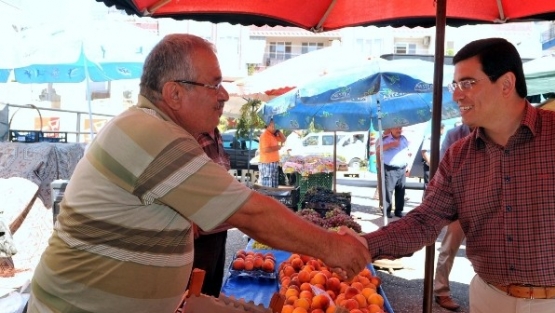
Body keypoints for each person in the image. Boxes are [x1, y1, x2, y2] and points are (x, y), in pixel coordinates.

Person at [27, 34, 370, 313]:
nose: (223, 96)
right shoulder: (151, 134)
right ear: (174, 93)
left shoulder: (151, 128)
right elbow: (249, 212)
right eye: (214, 84)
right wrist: (332, 247)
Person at [342, 38, 555, 313]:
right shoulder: (458, 157)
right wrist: (365, 244)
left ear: (506, 84)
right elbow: (425, 221)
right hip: (489, 299)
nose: (456, 94)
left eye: (468, 83)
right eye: (456, 84)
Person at [432, 123, 472, 311]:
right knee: (449, 248)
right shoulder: (454, 134)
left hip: (487, 203)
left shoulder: (494, 132)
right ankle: (441, 292)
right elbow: (444, 167)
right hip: (459, 201)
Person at [190, 127, 231, 297]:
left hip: (221, 224)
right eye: (217, 102)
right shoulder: (194, 133)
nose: (222, 101)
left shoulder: (217, 135)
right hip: (203, 227)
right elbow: (186, 179)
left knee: (214, 286)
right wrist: (189, 216)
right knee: (198, 291)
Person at [377, 127, 410, 218]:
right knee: (388, 191)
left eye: (400, 128)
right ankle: (387, 211)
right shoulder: (386, 139)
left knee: (401, 190)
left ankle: (399, 211)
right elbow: (378, 149)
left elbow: (407, 152)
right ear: (391, 129)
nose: (399, 130)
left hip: (402, 168)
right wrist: (391, 144)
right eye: (397, 129)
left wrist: (408, 165)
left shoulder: (404, 139)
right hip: (390, 169)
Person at [258, 119, 286, 187]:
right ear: (268, 125)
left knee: (274, 185)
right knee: (268, 186)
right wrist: (277, 147)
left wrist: (278, 131)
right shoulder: (265, 135)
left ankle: (273, 197)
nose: (275, 128)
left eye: (276, 126)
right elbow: (265, 149)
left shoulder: (273, 135)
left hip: (274, 163)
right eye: (273, 126)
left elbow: (284, 139)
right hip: (267, 163)